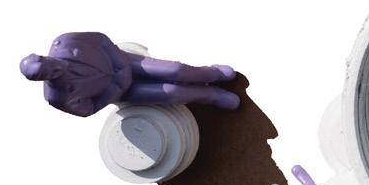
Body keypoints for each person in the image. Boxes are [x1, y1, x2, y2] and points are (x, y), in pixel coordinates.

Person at [19, 32, 239, 117]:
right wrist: (113, 91)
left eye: (48, 64)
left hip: (125, 62)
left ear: (44, 57)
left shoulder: (65, 42)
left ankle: (212, 73)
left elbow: (101, 40)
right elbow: (88, 109)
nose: (55, 70)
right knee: (170, 92)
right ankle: (211, 96)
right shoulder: (57, 97)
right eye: (46, 74)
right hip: (123, 91)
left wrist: (119, 62)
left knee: (174, 70)